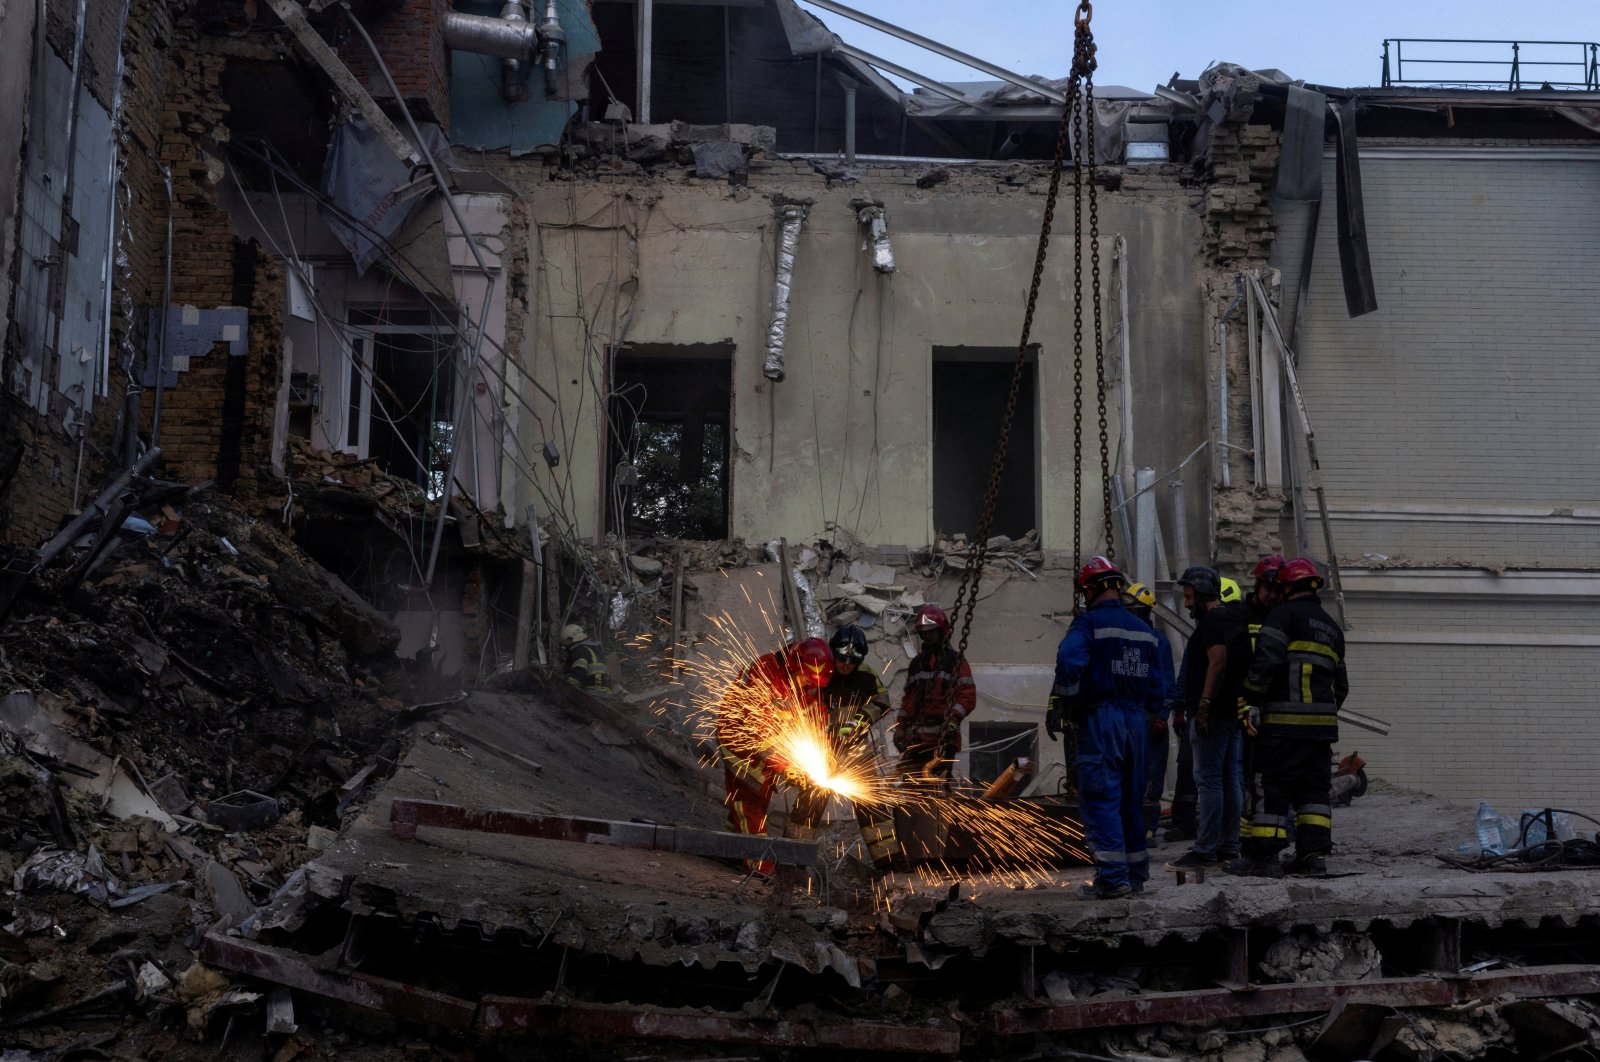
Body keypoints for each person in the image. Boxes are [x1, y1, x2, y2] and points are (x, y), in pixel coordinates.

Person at [1046, 556, 1163, 899]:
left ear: (1092, 589)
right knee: (1131, 799)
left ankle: (1113, 880)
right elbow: (1157, 688)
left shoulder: (1089, 624)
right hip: (1136, 724)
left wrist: (1067, 701)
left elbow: (1069, 661)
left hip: (1102, 719)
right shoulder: (1145, 631)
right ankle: (1135, 876)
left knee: (1101, 797)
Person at [1229, 557, 1348, 878]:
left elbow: (1266, 660)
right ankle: (1312, 857)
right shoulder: (1332, 628)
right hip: (1321, 734)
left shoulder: (1283, 616)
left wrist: (1252, 700)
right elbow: (1342, 686)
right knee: (1313, 793)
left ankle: (1263, 858)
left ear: (1287, 587)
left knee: (1270, 786)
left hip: (1281, 727)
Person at [718, 637, 834, 875]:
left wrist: (826, 750)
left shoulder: (804, 682)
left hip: (769, 748)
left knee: (757, 801)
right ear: (794, 666)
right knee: (750, 802)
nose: (807, 685)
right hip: (741, 742)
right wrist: (785, 766)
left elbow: (816, 717)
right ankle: (760, 870)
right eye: (806, 679)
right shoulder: (764, 673)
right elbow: (757, 729)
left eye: (813, 683)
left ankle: (730, 846)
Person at [1166, 566, 1251, 874]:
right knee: (1230, 780)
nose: (1187, 604)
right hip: (1230, 713)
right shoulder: (1232, 620)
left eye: (1189, 597)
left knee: (1210, 782)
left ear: (1202, 595)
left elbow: (1217, 661)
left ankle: (1206, 849)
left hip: (1212, 717)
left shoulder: (1212, 623)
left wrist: (1203, 704)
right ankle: (1229, 845)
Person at [814, 624, 902, 869]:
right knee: (809, 805)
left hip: (856, 752)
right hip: (823, 752)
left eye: (851, 662)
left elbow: (883, 700)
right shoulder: (822, 673)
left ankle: (888, 862)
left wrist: (860, 720)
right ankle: (793, 859)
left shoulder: (866, 674)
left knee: (871, 805)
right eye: (842, 660)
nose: (846, 666)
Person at [892, 605, 976, 780]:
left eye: (931, 631)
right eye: (924, 632)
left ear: (941, 630)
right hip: (916, 741)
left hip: (942, 739)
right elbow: (909, 700)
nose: (928, 636)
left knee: (935, 786)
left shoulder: (954, 661)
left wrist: (954, 719)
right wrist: (901, 727)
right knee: (911, 787)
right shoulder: (917, 664)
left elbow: (967, 694)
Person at [1122, 582, 1177, 840]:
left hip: (1150, 717)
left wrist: (1162, 716)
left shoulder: (1158, 642)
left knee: (1150, 774)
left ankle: (1147, 828)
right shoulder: (1126, 639)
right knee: (1129, 771)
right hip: (1130, 716)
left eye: (1134, 611)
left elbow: (1167, 681)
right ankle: (1132, 826)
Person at [560, 624, 612, 693]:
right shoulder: (594, 648)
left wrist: (565, 688)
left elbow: (578, 673)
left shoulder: (580, 651)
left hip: (593, 691)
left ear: (569, 641)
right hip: (605, 692)